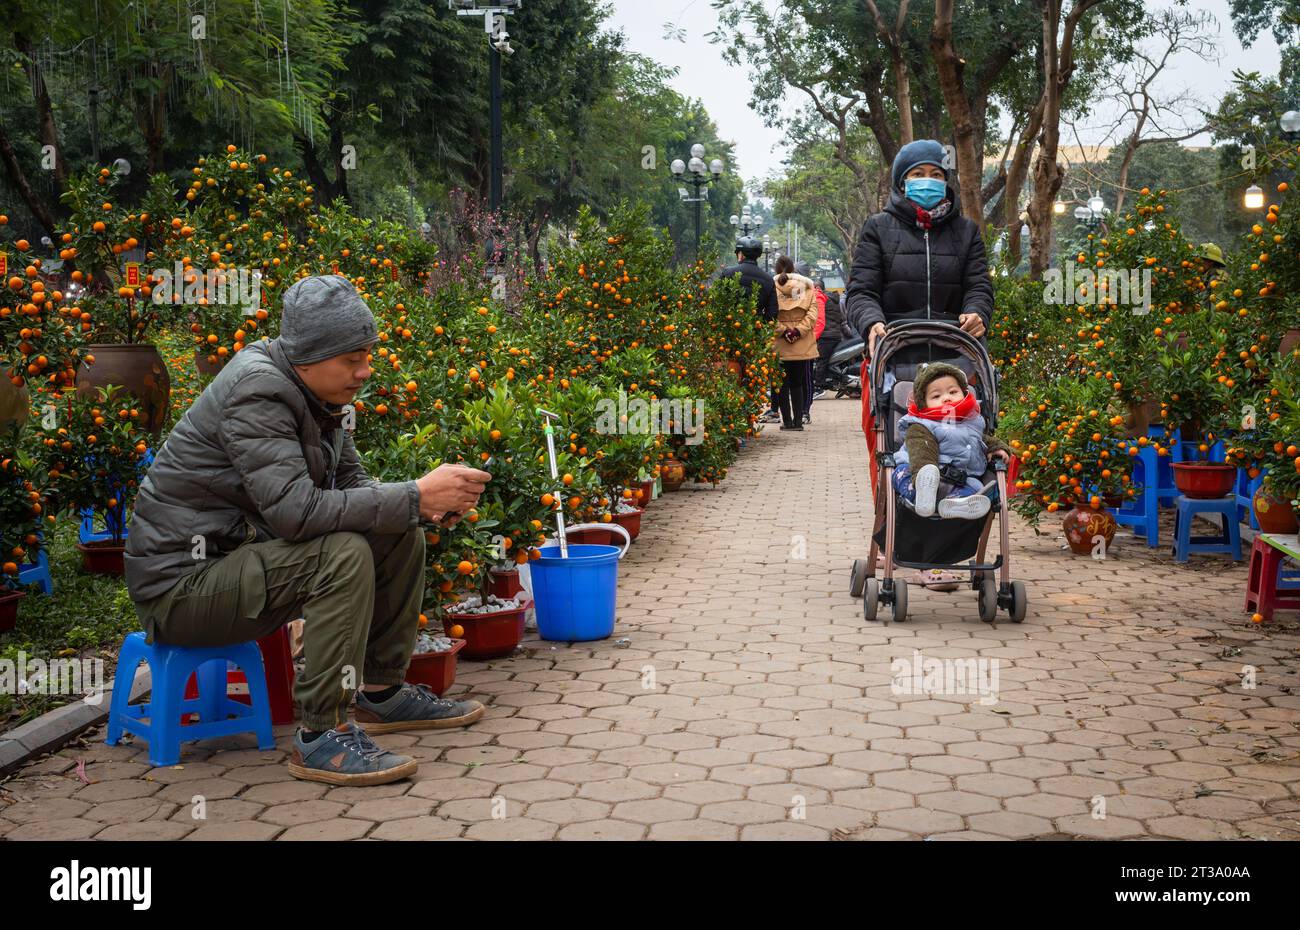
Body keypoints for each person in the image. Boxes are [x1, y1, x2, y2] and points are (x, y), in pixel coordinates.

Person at [125, 274, 492, 787]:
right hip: (183, 588)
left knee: (398, 530)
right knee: (341, 552)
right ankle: (320, 735)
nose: (365, 371)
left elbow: (352, 484)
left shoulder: (320, 395)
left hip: (239, 563)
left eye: (367, 355)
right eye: (351, 360)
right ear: (308, 355)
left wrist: (422, 506)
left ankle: (380, 692)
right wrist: (414, 493)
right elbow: (295, 512)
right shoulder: (258, 390)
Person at [844, 138, 994, 588]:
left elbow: (980, 286)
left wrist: (977, 312)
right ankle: (899, 546)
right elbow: (861, 291)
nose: (927, 183)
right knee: (896, 459)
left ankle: (944, 553)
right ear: (900, 182)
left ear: (946, 183)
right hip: (895, 363)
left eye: (935, 176)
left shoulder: (965, 233)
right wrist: (871, 324)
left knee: (962, 459)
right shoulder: (878, 229)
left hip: (953, 364)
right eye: (917, 176)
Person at [892, 362, 1011, 519]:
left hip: (960, 480)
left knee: (975, 489)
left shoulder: (972, 421)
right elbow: (921, 451)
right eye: (936, 396)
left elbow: (980, 439)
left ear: (964, 392)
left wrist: (996, 447)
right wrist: (923, 473)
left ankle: (955, 505)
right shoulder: (922, 425)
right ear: (923, 403)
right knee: (900, 474)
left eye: (953, 392)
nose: (946, 398)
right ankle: (924, 496)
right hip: (919, 471)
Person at [718, 236, 781, 422]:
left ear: (740, 254)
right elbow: (772, 314)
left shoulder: (728, 274)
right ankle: (745, 422)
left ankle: (729, 422)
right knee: (751, 380)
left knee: (728, 380)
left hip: (727, 337)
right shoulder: (768, 280)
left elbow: (717, 304)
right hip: (753, 339)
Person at [771, 255, 819, 430]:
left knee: (781, 384)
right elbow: (812, 315)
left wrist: (783, 331)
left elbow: (768, 315)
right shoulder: (807, 288)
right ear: (793, 269)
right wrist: (797, 331)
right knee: (798, 383)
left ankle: (787, 422)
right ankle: (799, 422)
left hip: (779, 344)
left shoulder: (771, 288)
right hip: (801, 344)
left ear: (777, 269)